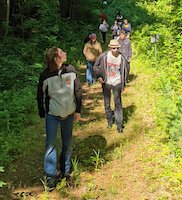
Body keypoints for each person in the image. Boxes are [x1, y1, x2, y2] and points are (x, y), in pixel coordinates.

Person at [37, 47, 82, 190]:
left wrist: (78, 110)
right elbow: (40, 94)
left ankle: (66, 171)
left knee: (67, 143)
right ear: (55, 58)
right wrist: (42, 112)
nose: (65, 53)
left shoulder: (71, 69)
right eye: (62, 52)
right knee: (50, 145)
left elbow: (78, 90)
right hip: (52, 115)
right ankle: (50, 176)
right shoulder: (45, 75)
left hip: (69, 114)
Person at [93, 39, 127, 133]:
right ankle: (109, 121)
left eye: (117, 48)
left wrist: (123, 83)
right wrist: (99, 77)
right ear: (110, 48)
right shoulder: (104, 56)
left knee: (118, 103)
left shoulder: (121, 58)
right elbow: (95, 67)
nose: (115, 50)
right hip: (107, 82)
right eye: (113, 48)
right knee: (107, 103)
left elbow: (125, 70)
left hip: (117, 82)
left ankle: (119, 125)